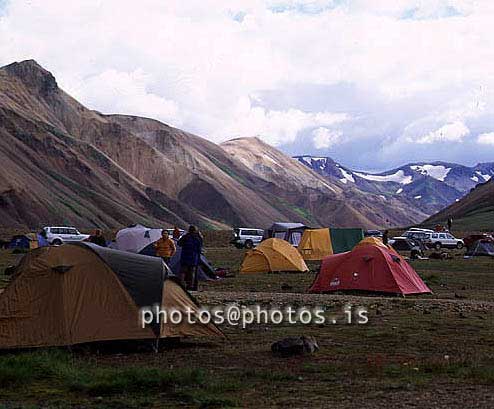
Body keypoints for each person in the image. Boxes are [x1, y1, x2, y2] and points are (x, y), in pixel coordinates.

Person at [177, 225, 203, 291]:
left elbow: (179, 243)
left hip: (185, 256)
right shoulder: (198, 238)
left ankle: (181, 285)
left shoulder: (185, 237)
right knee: (192, 272)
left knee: (183, 271)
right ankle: (191, 286)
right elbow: (199, 248)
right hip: (194, 257)